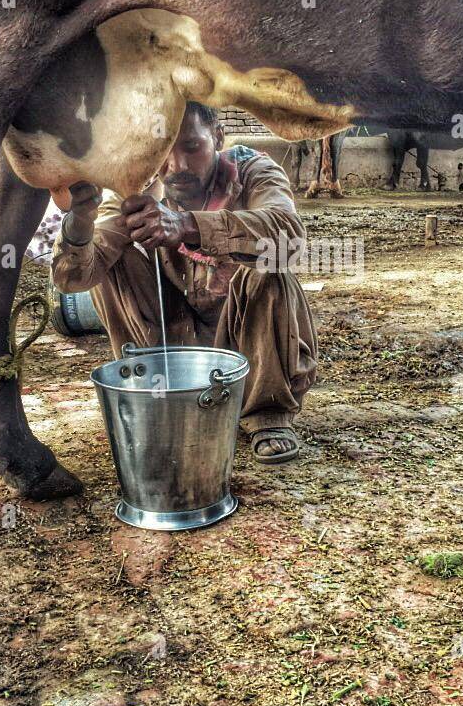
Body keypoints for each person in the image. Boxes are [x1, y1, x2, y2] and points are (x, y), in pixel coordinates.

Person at [52, 103, 317, 462]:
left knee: (268, 263)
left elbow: (290, 238)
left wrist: (187, 226)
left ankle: (266, 414)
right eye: (164, 151)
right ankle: (151, 388)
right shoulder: (138, 189)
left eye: (192, 147)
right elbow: (72, 278)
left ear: (218, 137)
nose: (177, 166)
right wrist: (80, 219)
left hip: (247, 344)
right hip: (175, 343)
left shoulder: (253, 169)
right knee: (110, 260)